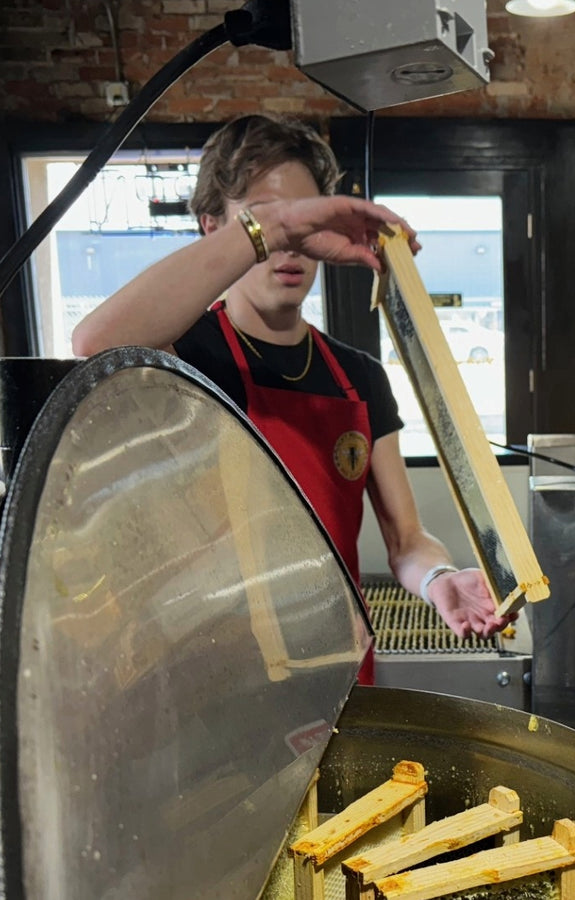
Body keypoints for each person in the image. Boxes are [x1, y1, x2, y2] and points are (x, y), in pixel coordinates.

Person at [73, 115, 512, 682]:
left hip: (337, 675)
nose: (292, 242)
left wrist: (438, 578)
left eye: (307, 219)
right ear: (214, 227)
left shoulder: (359, 378)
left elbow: (406, 541)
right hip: (216, 685)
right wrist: (271, 228)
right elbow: (94, 342)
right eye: (270, 219)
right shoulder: (183, 358)